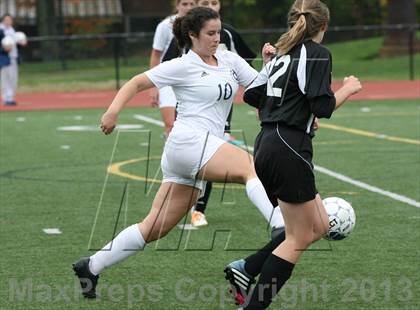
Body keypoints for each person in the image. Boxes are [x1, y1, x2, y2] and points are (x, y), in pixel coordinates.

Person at [72, 7, 285, 299]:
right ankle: (279, 224)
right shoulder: (182, 65)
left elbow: (259, 89)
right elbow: (137, 82)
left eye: (218, 31)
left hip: (196, 148)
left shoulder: (228, 59)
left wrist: (270, 64)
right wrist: (112, 111)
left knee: (155, 227)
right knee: (250, 166)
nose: (216, 37)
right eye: (210, 33)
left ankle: (91, 266)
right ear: (192, 35)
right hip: (188, 142)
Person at [223, 0, 362, 308]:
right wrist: (348, 89)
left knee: (320, 225)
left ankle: (247, 267)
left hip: (269, 143)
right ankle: (254, 304)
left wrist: (267, 65)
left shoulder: (281, 54)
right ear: (323, 26)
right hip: (288, 147)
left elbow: (253, 96)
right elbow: (322, 106)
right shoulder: (317, 54)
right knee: (297, 238)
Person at [191, 0, 258, 227]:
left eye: (214, 1)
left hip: (219, 111)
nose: (211, 5)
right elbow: (166, 64)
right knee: (191, 162)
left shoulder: (228, 36)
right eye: (205, 2)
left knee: (210, 157)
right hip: (191, 111)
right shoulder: (183, 34)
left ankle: (198, 209)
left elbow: (248, 61)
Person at [149, 0, 195, 137]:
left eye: (192, 4)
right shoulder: (165, 26)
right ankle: (170, 156)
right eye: (185, 4)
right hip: (168, 79)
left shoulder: (199, 25)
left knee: (190, 125)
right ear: (177, 5)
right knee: (170, 123)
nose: (188, 7)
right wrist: (153, 86)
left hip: (191, 79)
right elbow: (156, 54)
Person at [0, 14, 25, 106]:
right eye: (6, 19)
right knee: (5, 78)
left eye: (10, 19)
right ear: (3, 20)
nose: (8, 21)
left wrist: (21, 44)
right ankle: (6, 98)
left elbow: (15, 44)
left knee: (13, 78)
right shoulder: (1, 30)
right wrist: (3, 49)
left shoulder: (12, 30)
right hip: (4, 58)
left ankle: (10, 97)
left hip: (13, 57)